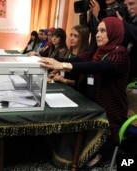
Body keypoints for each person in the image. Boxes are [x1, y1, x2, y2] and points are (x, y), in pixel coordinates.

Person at [39, 17, 129, 164]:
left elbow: (100, 67)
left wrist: (63, 66)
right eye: (97, 31)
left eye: (103, 31)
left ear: (114, 32)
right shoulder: (96, 52)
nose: (97, 34)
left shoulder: (120, 55)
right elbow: (77, 61)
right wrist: (52, 62)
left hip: (108, 111)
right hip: (89, 105)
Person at [117, 0, 137, 82]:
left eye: (131, 4)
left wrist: (122, 23)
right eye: (125, 6)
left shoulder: (125, 23)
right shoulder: (128, 20)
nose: (128, 8)